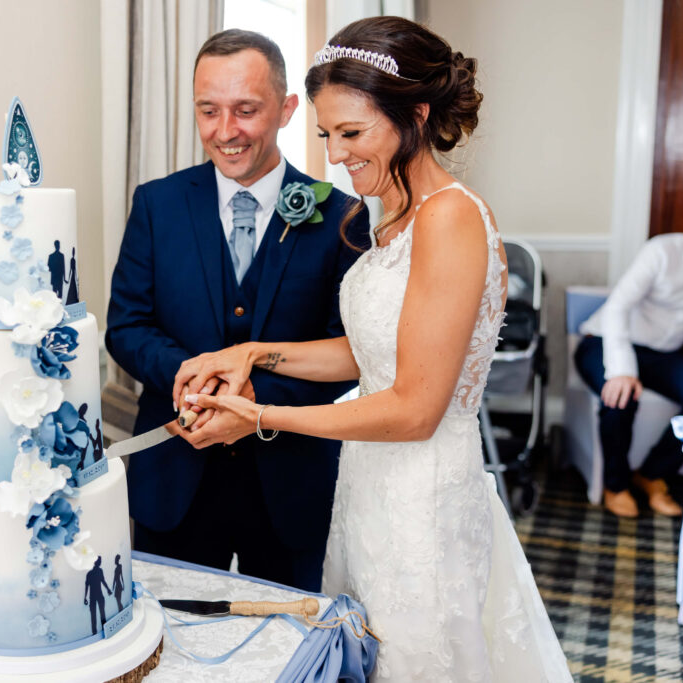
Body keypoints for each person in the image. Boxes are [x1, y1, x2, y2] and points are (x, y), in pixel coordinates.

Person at [172, 17, 572, 680]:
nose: (334, 154)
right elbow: (370, 356)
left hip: (423, 503)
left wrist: (261, 416)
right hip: (371, 490)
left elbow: (414, 408)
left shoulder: (450, 216)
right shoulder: (393, 216)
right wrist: (254, 354)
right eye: (325, 134)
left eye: (352, 133)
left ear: (415, 115)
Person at [105, 29, 369, 592]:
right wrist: (193, 378)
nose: (225, 131)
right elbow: (126, 327)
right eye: (209, 110)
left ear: (287, 109)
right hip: (175, 477)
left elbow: (351, 352)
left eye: (246, 110)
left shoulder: (342, 218)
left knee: (287, 634)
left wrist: (253, 396)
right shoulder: (156, 204)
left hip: (289, 483)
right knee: (169, 629)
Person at [575, 232, 683, 517]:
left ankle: (652, 474)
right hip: (603, 341)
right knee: (621, 395)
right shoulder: (663, 250)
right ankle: (615, 485)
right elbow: (618, 306)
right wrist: (622, 369)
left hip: (662, 355)